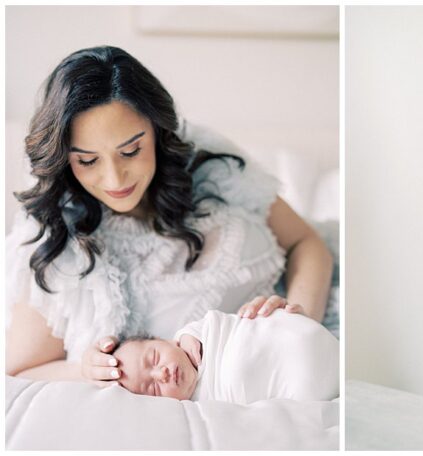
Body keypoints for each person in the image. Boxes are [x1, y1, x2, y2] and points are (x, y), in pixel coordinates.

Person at [5, 46, 333, 384]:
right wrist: (87, 372)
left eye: (131, 151)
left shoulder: (214, 170)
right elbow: (22, 372)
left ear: (158, 130)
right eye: (88, 160)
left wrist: (298, 322)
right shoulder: (55, 241)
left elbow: (305, 242)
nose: (115, 179)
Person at [113, 309, 339, 404]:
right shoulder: (195, 405)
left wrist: (187, 334)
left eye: (154, 358)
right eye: (153, 389)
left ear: (167, 341)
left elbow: (214, 321)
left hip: (299, 334)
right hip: (306, 389)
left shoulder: (195, 336)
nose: (161, 373)